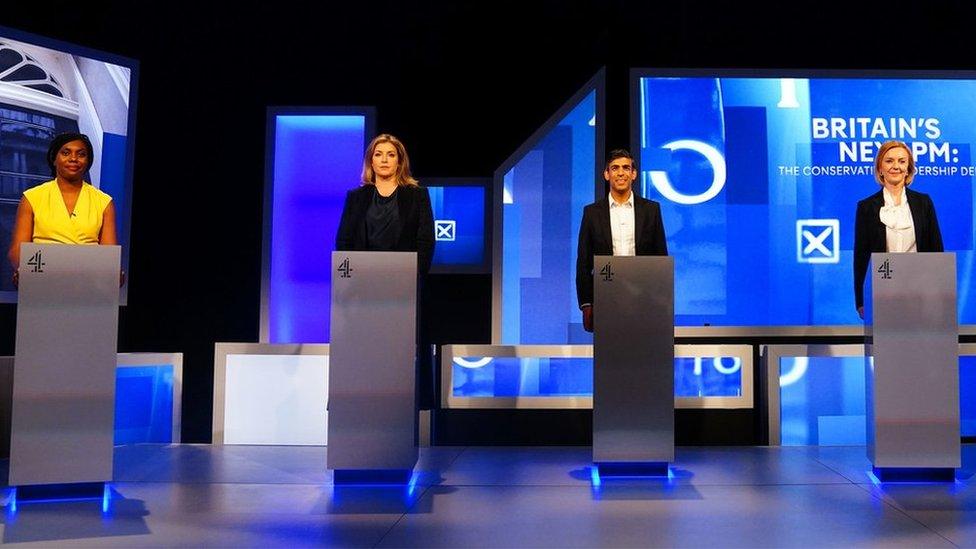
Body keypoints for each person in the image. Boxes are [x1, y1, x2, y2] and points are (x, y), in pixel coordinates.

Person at [576, 149, 668, 332]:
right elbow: (584, 263)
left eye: (626, 168)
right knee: (610, 356)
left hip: (645, 298)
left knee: (644, 355)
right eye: (615, 168)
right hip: (606, 297)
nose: (620, 173)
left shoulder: (651, 210)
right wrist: (586, 305)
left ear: (633, 174)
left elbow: (661, 260)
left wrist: (662, 302)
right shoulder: (592, 213)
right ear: (606, 174)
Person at [7, 132, 118, 283]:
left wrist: (114, 275)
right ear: (54, 159)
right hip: (42, 282)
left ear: (88, 162)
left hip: (89, 285)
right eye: (66, 153)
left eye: (81, 154)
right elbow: (16, 252)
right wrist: (27, 271)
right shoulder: (32, 197)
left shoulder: (104, 202)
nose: (73, 159)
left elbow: (109, 256)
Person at [853, 140, 944, 319]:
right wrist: (861, 300)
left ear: (909, 168)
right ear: (880, 168)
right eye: (889, 161)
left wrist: (940, 293)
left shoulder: (924, 202)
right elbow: (861, 256)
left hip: (921, 291)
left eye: (902, 161)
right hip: (883, 291)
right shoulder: (866, 207)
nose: (896, 166)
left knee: (921, 343)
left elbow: (936, 249)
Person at [335, 133, 434, 274]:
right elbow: (344, 240)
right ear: (371, 161)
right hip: (362, 277)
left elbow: (426, 240)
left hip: (404, 277)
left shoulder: (417, 195)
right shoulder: (355, 197)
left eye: (391, 155)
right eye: (378, 154)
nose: (384, 160)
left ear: (399, 161)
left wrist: (416, 275)